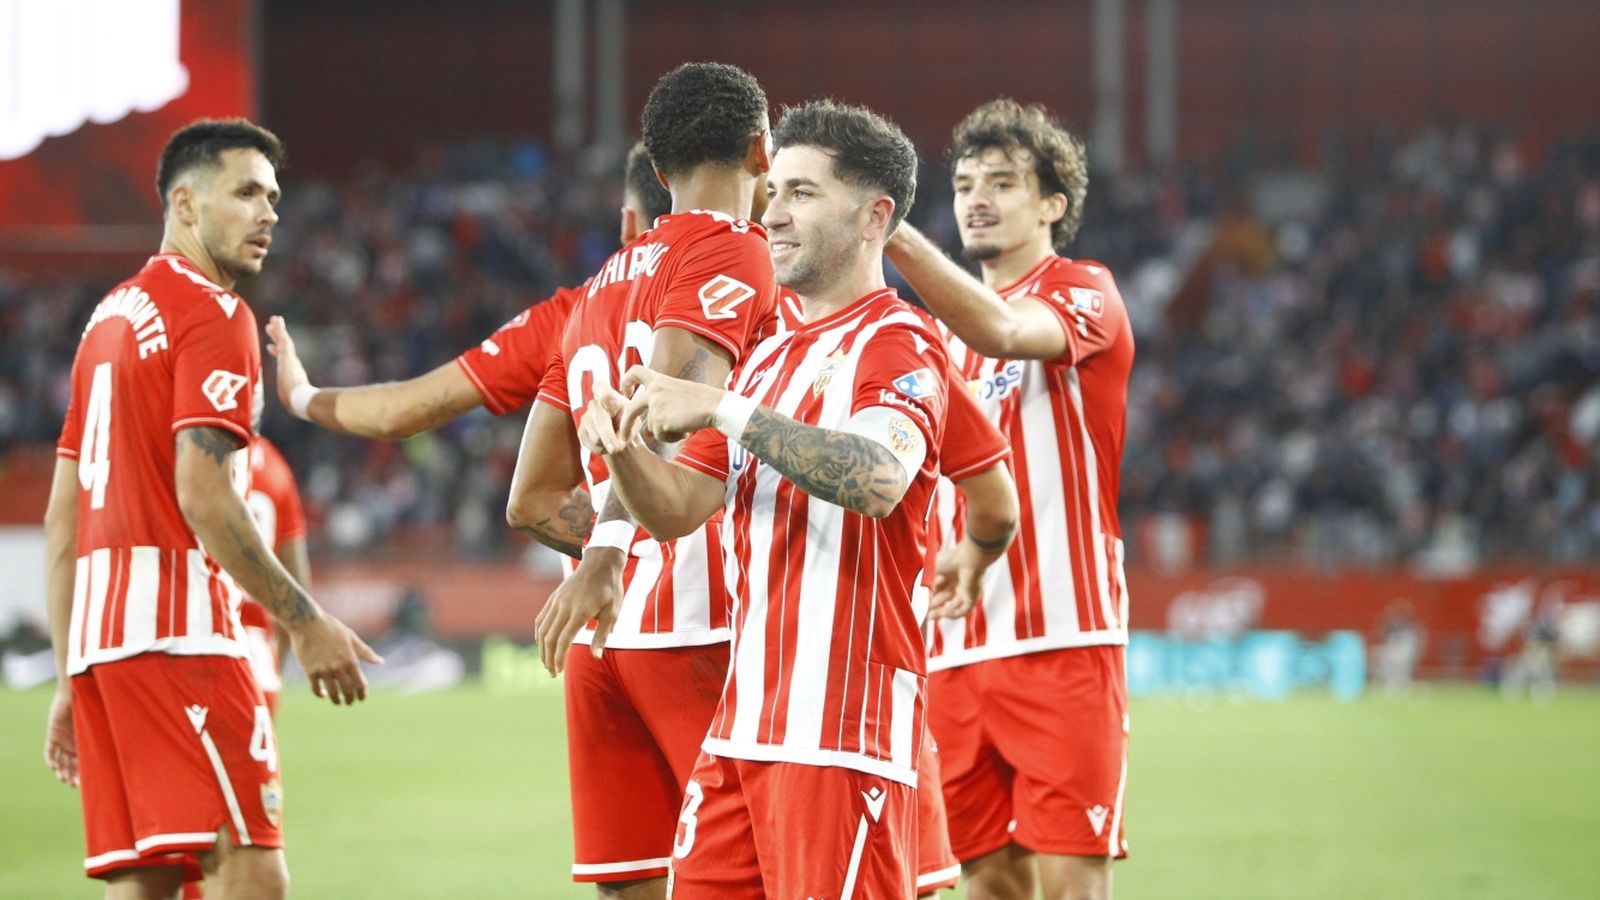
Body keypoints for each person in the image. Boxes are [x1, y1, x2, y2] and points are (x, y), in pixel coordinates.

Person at [580, 98, 946, 899]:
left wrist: (719, 407)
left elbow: (880, 480)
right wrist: (622, 448)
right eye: (772, 190)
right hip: (741, 734)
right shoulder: (768, 361)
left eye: (802, 194)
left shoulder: (899, 341)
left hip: (840, 738)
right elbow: (677, 508)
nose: (772, 213)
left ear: (873, 216)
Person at [41, 118, 379, 900]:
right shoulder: (213, 312)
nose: (269, 213)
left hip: (101, 647)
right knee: (253, 874)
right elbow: (203, 492)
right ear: (185, 206)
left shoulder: (107, 320)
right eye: (247, 193)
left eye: (274, 197)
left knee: (146, 884)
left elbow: (65, 522)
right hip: (179, 636)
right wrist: (303, 619)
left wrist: (67, 676)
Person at [514, 62, 776, 898]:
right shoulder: (734, 248)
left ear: (656, 171)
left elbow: (528, 497)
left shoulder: (597, 288)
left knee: (633, 884)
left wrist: (597, 553)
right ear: (762, 152)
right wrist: (615, 554)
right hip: (701, 625)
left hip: (605, 647)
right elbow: (656, 415)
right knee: (748, 880)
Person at [884, 99, 1136, 899]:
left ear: (1053, 205)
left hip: (1063, 638)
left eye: (1003, 182)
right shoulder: (931, 338)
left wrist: (881, 223)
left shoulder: (1084, 291)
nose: (977, 199)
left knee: (1069, 886)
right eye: (962, 185)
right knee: (987, 881)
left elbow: (1001, 328)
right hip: (954, 650)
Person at [264, 141, 671, 441]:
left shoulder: (569, 315)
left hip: (625, 553)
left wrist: (301, 395)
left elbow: (398, 412)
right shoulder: (733, 294)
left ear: (627, 223)